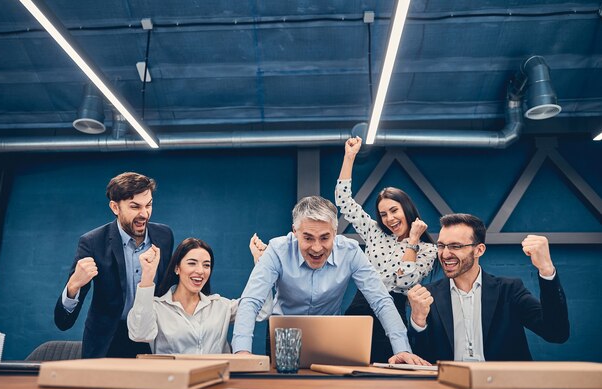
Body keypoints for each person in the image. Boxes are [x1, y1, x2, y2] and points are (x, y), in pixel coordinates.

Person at [232, 195, 428, 365]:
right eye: (308, 238)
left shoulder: (350, 251)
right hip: (284, 336)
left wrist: (402, 349)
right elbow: (251, 301)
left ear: (335, 232)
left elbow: (381, 301)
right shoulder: (277, 249)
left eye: (325, 238)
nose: (317, 248)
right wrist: (241, 352)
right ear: (295, 231)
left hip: (328, 338)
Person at [407, 213, 569, 363]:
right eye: (442, 245)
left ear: (479, 250)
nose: (445, 254)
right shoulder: (428, 296)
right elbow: (420, 360)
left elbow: (556, 332)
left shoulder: (509, 290)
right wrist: (418, 321)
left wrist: (546, 269)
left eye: (455, 246)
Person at [335, 136, 437, 362]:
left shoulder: (428, 249)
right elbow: (344, 202)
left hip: (392, 312)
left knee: (385, 372)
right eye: (383, 214)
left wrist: (412, 241)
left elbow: (405, 282)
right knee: (350, 368)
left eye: (394, 210)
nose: (389, 218)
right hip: (360, 308)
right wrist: (349, 157)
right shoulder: (374, 232)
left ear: (407, 209)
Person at [54, 172, 174, 358]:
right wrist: (73, 286)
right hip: (108, 341)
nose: (144, 214)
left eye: (148, 205)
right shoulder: (92, 242)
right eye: (135, 207)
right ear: (115, 207)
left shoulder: (164, 236)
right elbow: (63, 322)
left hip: (152, 337)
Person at [128, 237, 269, 354]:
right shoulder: (156, 308)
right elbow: (140, 334)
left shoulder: (221, 306)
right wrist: (147, 276)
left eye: (206, 265)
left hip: (215, 381)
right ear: (177, 268)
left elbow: (262, 310)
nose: (200, 271)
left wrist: (262, 264)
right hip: (173, 382)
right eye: (192, 263)